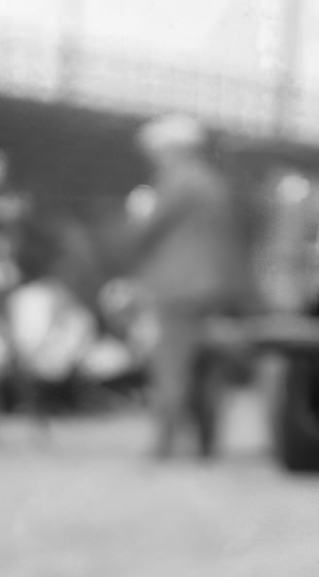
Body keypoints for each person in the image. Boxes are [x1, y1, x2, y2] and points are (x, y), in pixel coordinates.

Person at [126, 115, 249, 459]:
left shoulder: (176, 182)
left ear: (173, 149)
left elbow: (146, 230)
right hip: (212, 285)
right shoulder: (213, 183)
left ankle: (164, 443)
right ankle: (207, 442)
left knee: (170, 363)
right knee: (206, 364)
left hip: (176, 286)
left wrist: (137, 212)